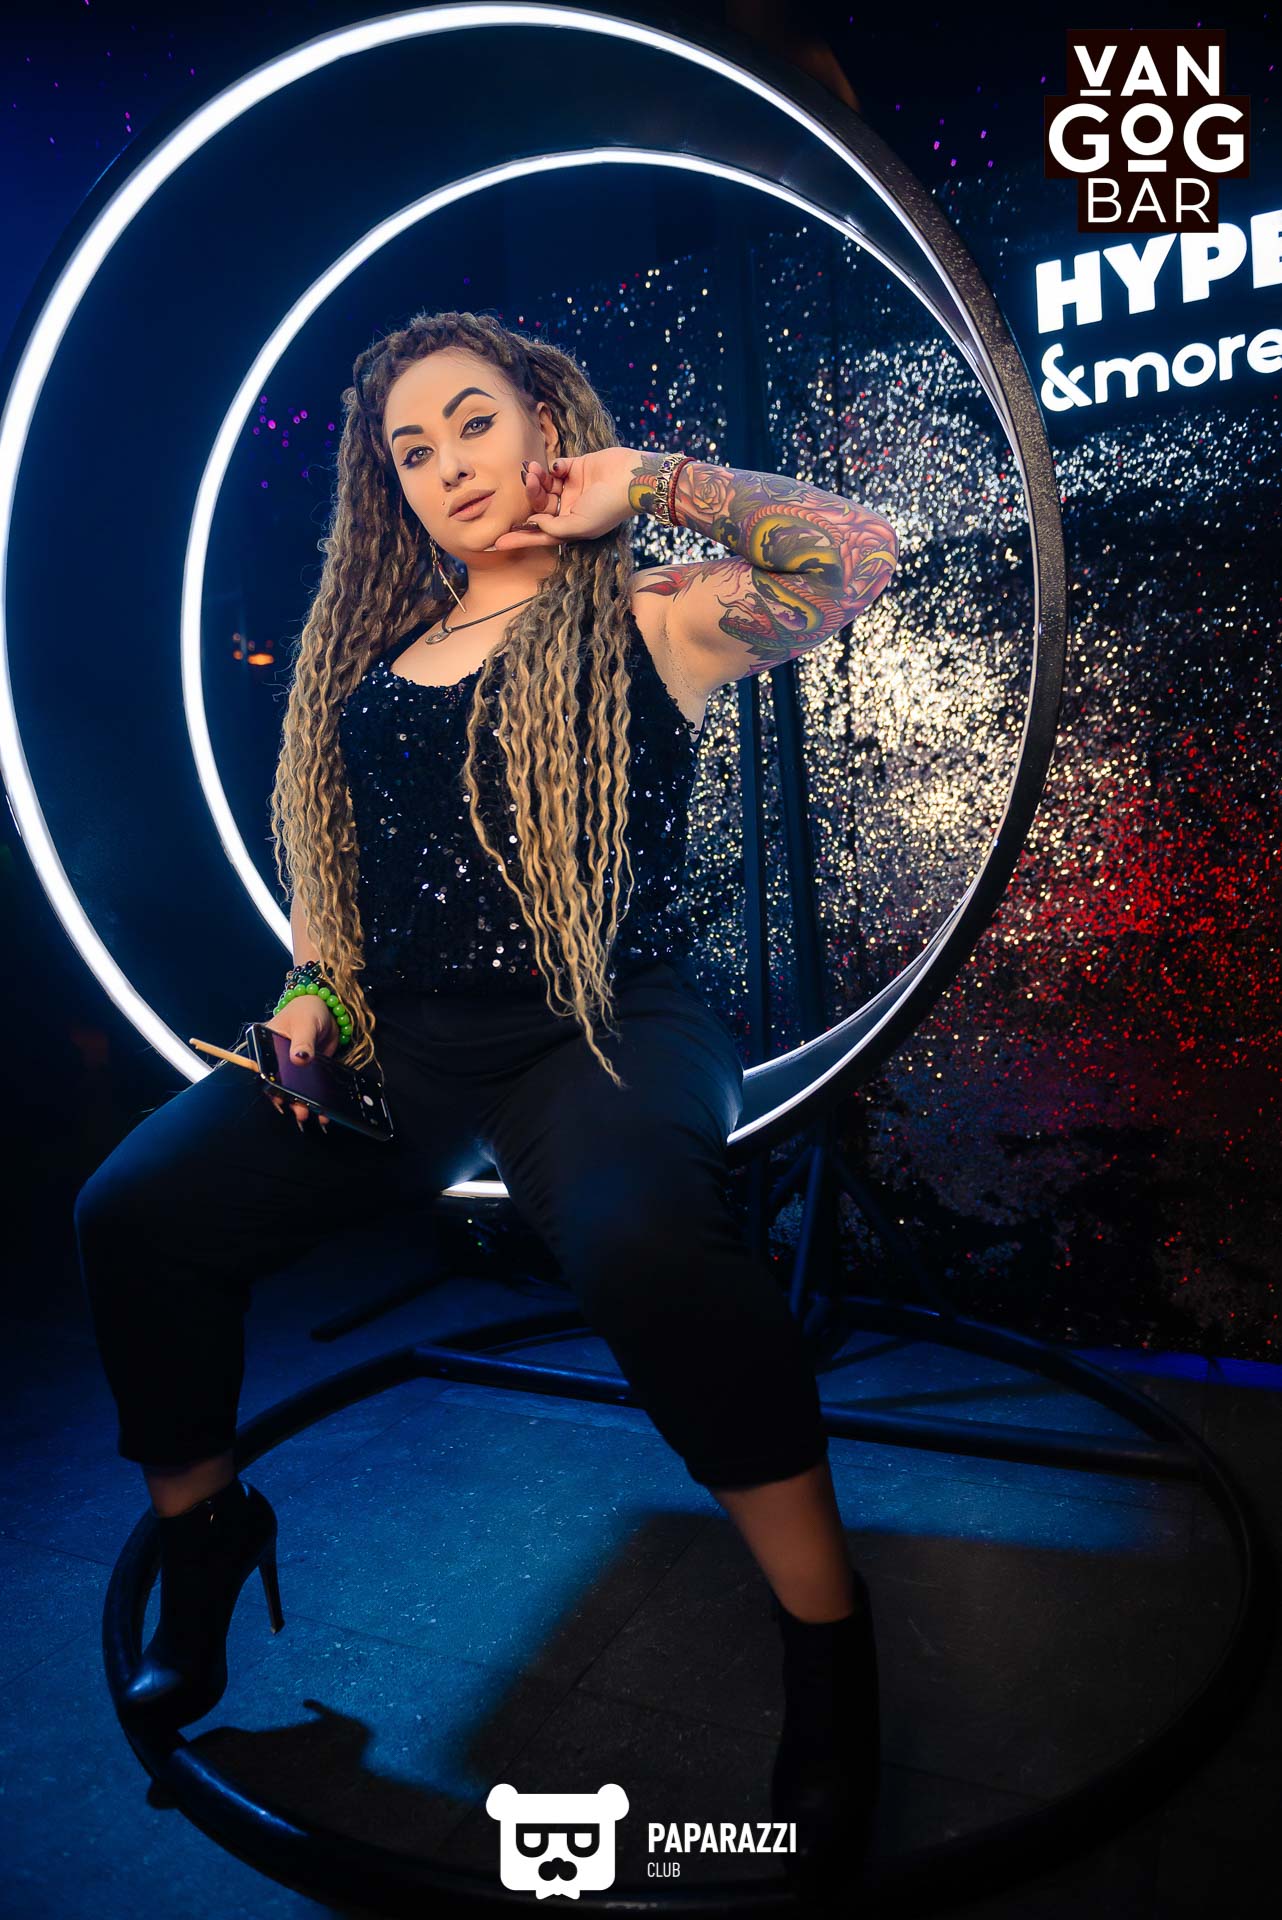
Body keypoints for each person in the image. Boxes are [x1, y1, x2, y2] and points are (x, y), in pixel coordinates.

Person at [74, 310, 898, 1886]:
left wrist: (647, 483)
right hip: (407, 1039)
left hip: (607, 1016)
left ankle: (828, 1646)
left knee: (644, 1243)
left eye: (473, 422)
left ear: (543, 426)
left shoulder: (652, 612)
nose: (448, 465)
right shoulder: (365, 663)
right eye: (411, 449)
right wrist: (310, 1000)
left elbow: (857, 553)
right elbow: (336, 894)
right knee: (137, 1214)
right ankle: (207, 1533)